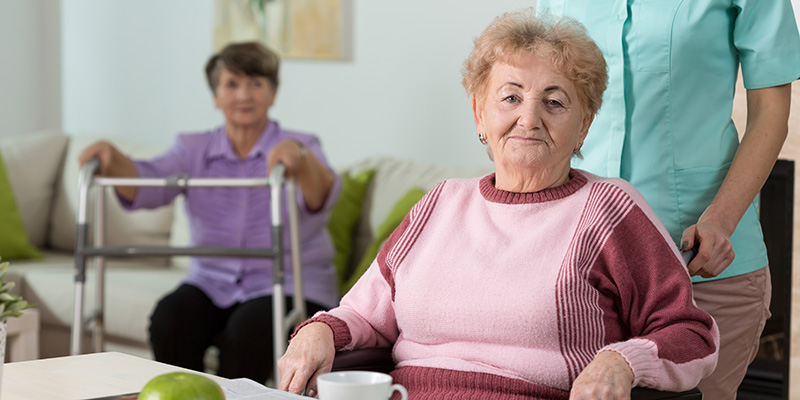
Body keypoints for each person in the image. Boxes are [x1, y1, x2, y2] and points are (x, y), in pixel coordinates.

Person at [277, 11, 718, 399]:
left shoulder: (608, 208)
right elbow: (362, 312)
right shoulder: (440, 202)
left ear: (584, 125)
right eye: (510, 97)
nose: (529, 118)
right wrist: (319, 330)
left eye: (554, 102)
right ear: (479, 113)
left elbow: (691, 333)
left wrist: (620, 362)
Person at [534, 1, 800, 397]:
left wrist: (720, 220)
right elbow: (539, 99)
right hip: (578, 269)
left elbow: (770, 110)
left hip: (703, 270)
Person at [78, 42, 342, 383]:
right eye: (232, 84)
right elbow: (145, 185)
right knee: (169, 319)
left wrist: (298, 156)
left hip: (288, 281)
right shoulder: (192, 148)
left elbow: (322, 195)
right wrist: (113, 158)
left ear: (273, 94)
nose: (244, 95)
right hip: (211, 280)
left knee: (248, 331)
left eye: (256, 84)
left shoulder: (302, 143)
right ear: (216, 97)